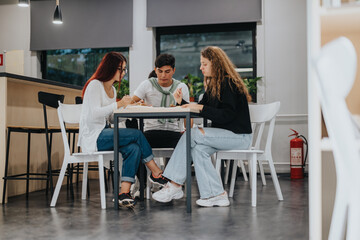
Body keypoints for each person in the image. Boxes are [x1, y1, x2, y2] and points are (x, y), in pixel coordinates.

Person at [152, 46, 253, 207]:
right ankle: (216, 194)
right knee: (198, 150)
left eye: (204, 64)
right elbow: (202, 109)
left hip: (239, 137)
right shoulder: (214, 85)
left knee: (192, 134)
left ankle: (174, 184)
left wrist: (199, 108)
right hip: (223, 135)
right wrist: (183, 103)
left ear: (216, 63)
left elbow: (227, 115)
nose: (201, 67)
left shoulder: (229, 83)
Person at [78, 52, 168, 208]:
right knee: (137, 134)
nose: (124, 73)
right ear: (112, 67)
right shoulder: (94, 85)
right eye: (122, 69)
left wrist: (127, 107)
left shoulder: (112, 89)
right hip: (93, 136)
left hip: (105, 132)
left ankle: (124, 193)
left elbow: (112, 118)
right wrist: (119, 105)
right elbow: (94, 113)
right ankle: (155, 171)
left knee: (133, 148)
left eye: (125, 69)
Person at [132, 54, 190, 149]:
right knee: (135, 148)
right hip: (151, 131)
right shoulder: (147, 84)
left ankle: (173, 165)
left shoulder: (181, 87)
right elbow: (130, 102)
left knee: (188, 147)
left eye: (167, 71)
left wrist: (188, 130)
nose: (163, 75)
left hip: (173, 132)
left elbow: (189, 118)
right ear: (155, 70)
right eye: (160, 71)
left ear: (173, 70)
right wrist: (140, 105)